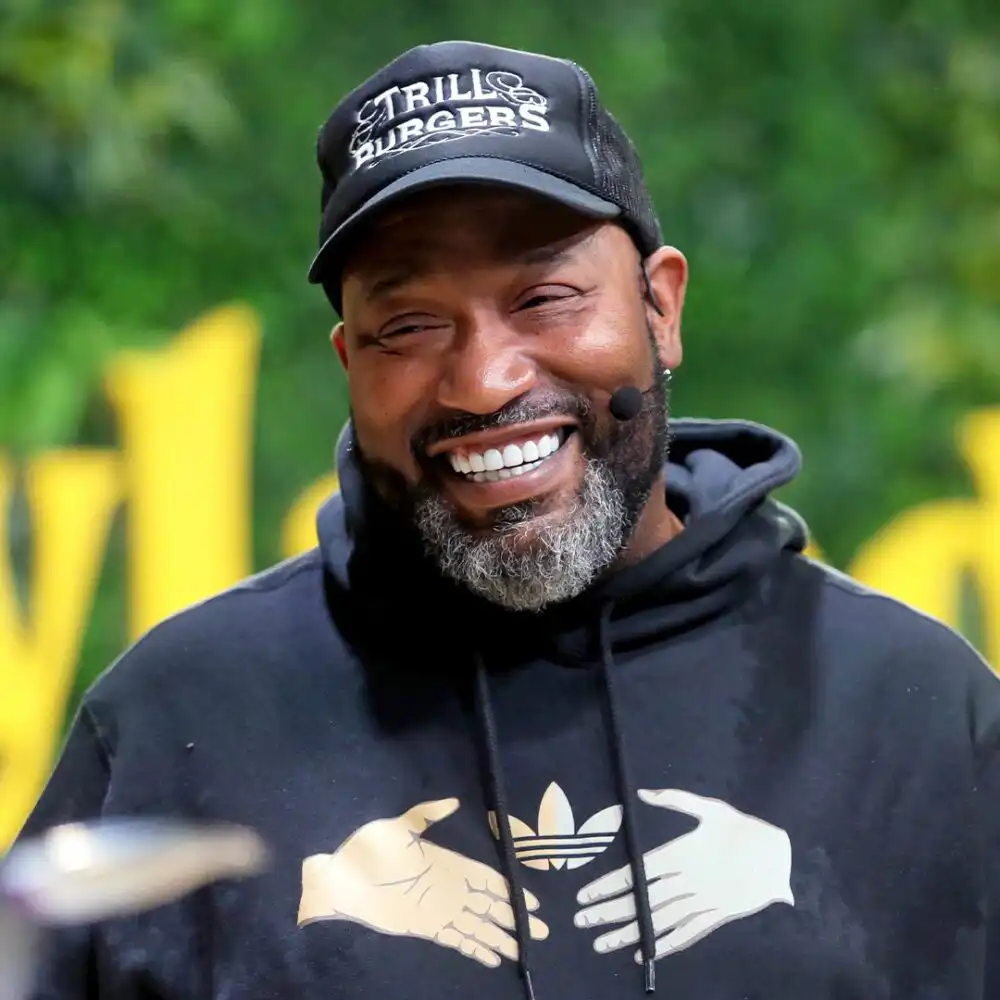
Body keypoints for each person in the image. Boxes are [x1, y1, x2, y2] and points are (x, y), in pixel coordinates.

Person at [17, 39, 1000, 1000]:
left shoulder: (911, 709)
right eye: (408, 325)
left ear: (660, 309)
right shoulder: (182, 720)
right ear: (350, 362)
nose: (485, 381)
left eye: (545, 296)